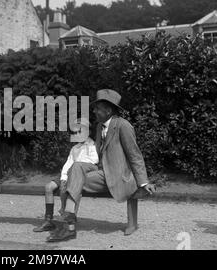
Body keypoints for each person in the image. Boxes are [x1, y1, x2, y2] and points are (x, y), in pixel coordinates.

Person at [47, 89, 156, 242]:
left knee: (75, 179)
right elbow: (99, 154)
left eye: (98, 108)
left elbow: (135, 155)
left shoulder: (123, 126)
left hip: (118, 175)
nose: (94, 111)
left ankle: (68, 225)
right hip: (101, 171)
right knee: (76, 167)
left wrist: (143, 182)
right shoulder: (99, 127)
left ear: (108, 110)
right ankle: (69, 222)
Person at [33, 118, 98, 233]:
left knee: (71, 191)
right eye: (76, 132)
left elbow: (94, 162)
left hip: (81, 175)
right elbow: (68, 163)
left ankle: (68, 220)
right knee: (48, 187)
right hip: (67, 174)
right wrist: (63, 177)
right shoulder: (75, 148)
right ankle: (48, 220)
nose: (78, 134)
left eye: (81, 131)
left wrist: (73, 174)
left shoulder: (92, 146)